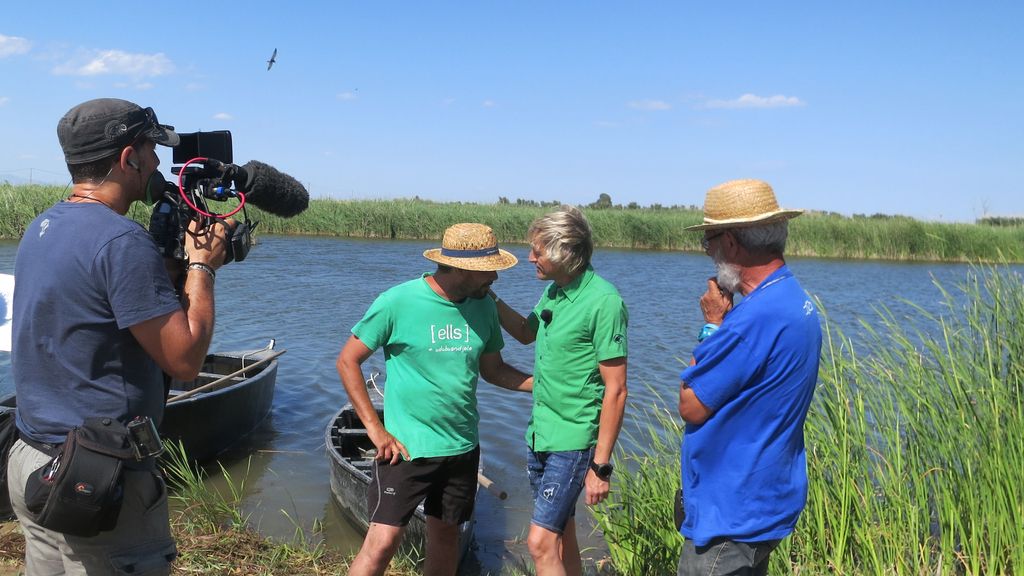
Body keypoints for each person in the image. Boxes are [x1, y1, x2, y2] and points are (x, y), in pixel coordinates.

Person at [8, 98, 231, 575]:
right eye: (151, 151)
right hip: (97, 477)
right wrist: (201, 266)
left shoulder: (42, 226)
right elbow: (185, 360)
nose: (157, 163)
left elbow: (104, 313)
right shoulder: (120, 241)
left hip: (32, 459)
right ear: (129, 158)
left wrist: (168, 261)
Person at [337, 223, 533, 576]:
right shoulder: (398, 301)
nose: (495, 280)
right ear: (460, 268)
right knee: (381, 543)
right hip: (406, 450)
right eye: (488, 271)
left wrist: (544, 385)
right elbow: (348, 360)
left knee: (445, 538)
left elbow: (494, 370)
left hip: (461, 448)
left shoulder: (484, 307)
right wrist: (376, 430)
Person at [676, 179, 822, 576]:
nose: (707, 250)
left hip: (731, 515)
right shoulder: (796, 301)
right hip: (766, 500)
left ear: (732, 244)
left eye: (708, 240)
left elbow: (690, 403)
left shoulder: (750, 321)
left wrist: (712, 324)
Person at [491, 205, 628, 576]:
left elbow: (616, 390)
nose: (529, 257)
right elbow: (524, 333)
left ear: (565, 251)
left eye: (538, 251)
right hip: (541, 434)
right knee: (563, 535)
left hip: (573, 440)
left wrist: (600, 467)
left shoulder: (604, 302)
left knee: (539, 542)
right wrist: (487, 295)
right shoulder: (554, 292)